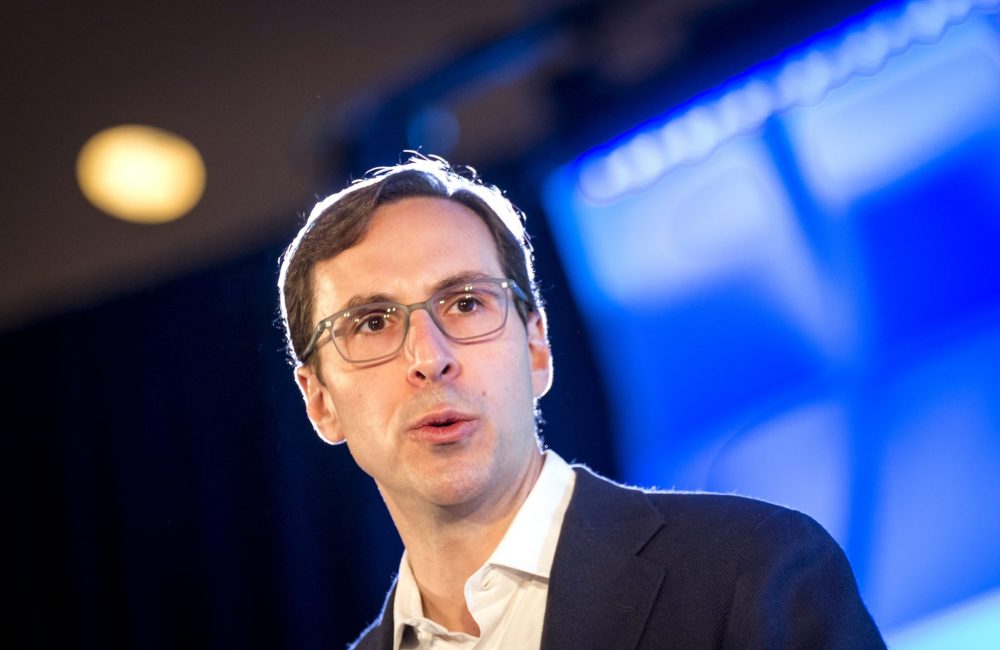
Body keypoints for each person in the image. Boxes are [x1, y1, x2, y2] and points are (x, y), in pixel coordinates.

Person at [277, 154, 885, 649]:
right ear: (320, 401)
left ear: (536, 347)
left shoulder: (751, 570)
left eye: (465, 304)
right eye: (373, 323)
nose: (429, 357)